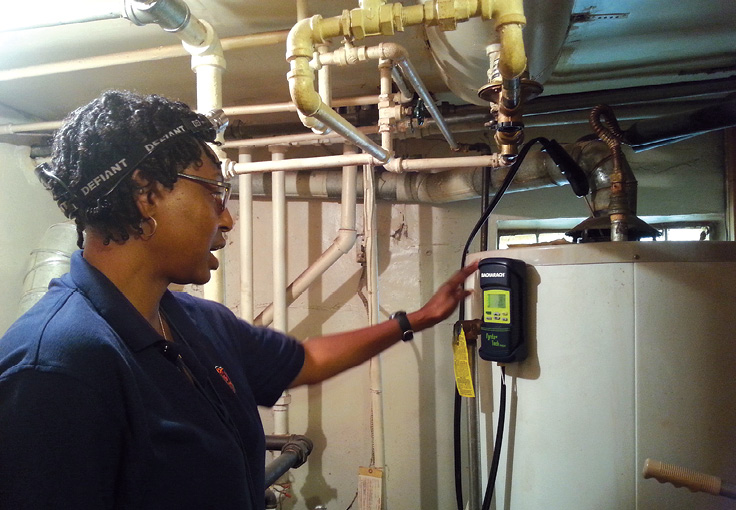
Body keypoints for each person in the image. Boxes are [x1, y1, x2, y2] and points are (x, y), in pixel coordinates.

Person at [0, 90, 477, 509]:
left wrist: (415, 319)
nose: (226, 219)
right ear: (146, 194)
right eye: (215, 194)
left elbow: (304, 360)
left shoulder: (197, 321)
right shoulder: (57, 366)